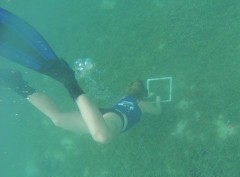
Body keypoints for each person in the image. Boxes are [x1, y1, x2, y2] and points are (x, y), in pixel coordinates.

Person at [0, 7, 161, 143]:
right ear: (142, 94)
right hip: (114, 119)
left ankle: (18, 84)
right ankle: (70, 83)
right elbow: (158, 111)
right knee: (102, 136)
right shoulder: (141, 104)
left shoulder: (127, 97)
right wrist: (157, 99)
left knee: (58, 119)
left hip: (106, 115)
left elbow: (135, 102)